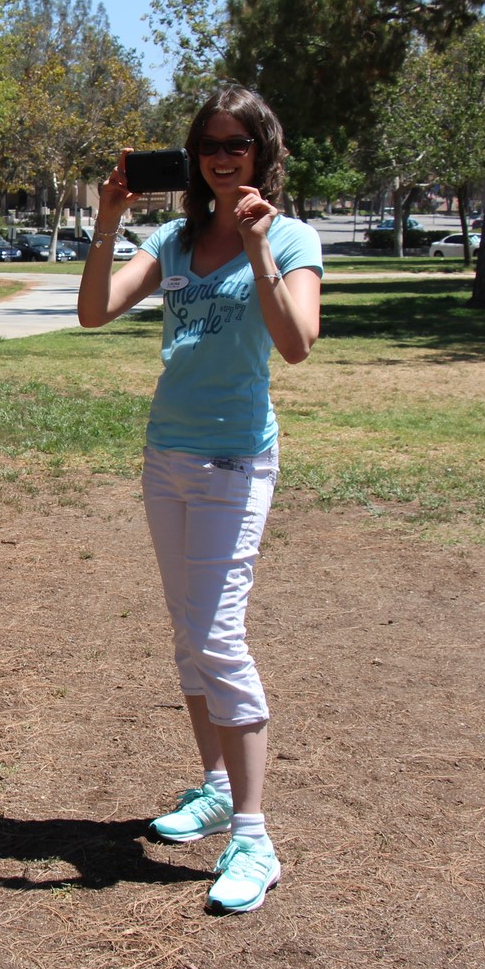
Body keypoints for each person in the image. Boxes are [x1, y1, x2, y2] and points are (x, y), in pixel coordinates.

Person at [77, 85, 322, 914]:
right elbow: (93, 312)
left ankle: (254, 836)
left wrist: (257, 250)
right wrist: (109, 218)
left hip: (235, 458)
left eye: (239, 144)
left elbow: (296, 346)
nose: (224, 156)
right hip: (167, 453)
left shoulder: (290, 236)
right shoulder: (174, 239)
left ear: (262, 153)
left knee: (219, 633)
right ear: (194, 156)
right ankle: (217, 786)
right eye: (211, 144)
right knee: (189, 631)